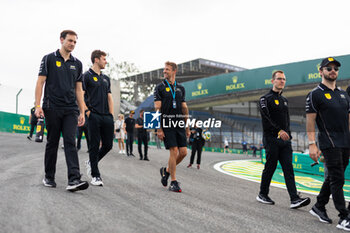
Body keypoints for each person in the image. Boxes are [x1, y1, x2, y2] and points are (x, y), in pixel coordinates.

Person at [34, 30, 88, 192]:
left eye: (75, 42)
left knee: (70, 142)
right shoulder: (49, 58)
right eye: (70, 41)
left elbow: (79, 90)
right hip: (52, 107)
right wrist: (38, 105)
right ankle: (49, 177)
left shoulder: (77, 64)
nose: (72, 44)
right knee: (53, 142)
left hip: (70, 109)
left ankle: (74, 179)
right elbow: (40, 82)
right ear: (61, 40)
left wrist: (82, 111)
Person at [306, 57, 350, 230]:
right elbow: (310, 122)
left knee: (334, 176)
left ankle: (319, 206)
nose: (333, 71)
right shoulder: (315, 94)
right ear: (321, 71)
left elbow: (348, 120)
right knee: (338, 179)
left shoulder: (343, 94)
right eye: (329, 68)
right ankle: (344, 217)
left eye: (336, 68)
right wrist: (311, 144)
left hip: (345, 141)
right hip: (328, 142)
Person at [256, 70, 310, 208]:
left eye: (284, 79)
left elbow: (286, 121)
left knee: (288, 168)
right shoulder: (264, 99)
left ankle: (294, 199)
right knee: (270, 166)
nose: (282, 81)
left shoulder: (285, 100)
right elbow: (266, 119)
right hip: (271, 138)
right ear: (272, 81)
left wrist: (289, 135)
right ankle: (262, 194)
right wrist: (279, 131)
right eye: (279, 79)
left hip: (285, 141)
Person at [154, 61, 190, 192]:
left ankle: (167, 171)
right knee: (174, 151)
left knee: (184, 152)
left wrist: (187, 127)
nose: (164, 71)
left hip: (179, 122)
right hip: (166, 122)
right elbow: (157, 108)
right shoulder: (159, 87)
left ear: (174, 71)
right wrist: (159, 128)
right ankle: (173, 182)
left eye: (167, 69)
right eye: (164, 69)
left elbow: (184, 108)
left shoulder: (181, 88)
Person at [83, 50, 114, 187]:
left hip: (106, 116)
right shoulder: (86, 76)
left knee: (108, 145)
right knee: (94, 145)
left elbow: (109, 98)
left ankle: (91, 162)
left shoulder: (106, 78)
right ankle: (95, 175)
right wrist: (86, 111)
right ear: (96, 60)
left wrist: (111, 115)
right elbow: (81, 94)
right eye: (104, 59)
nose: (105, 61)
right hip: (93, 115)